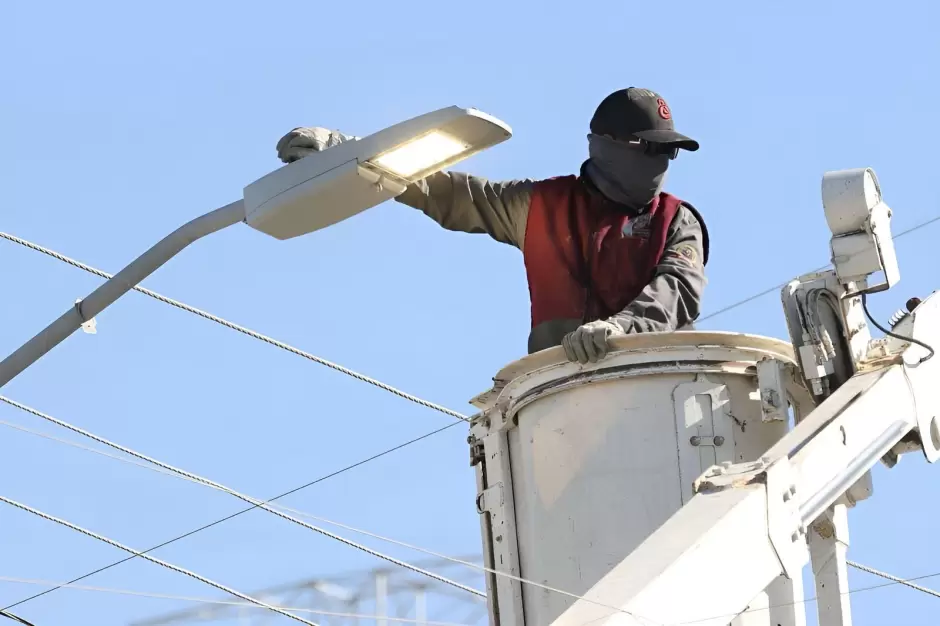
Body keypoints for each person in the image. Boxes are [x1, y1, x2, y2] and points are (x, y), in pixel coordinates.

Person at [276, 87, 709, 364]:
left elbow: (676, 292)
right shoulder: (540, 206)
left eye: (668, 153)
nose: (660, 163)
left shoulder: (676, 221)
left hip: (654, 384)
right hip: (555, 392)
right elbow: (442, 191)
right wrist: (341, 151)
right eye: (649, 149)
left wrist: (619, 331)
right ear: (605, 146)